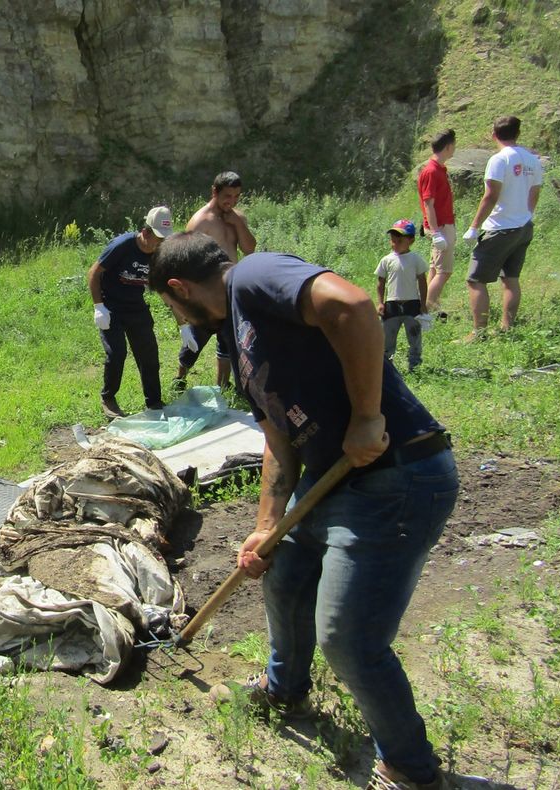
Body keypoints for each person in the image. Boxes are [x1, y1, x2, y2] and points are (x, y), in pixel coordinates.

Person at [150, 232, 459, 790]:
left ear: (179, 288)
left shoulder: (252, 276)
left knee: (348, 638)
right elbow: (277, 440)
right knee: (284, 576)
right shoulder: (240, 340)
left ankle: (410, 771)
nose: (175, 315)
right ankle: (283, 691)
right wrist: (266, 523)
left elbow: (354, 306)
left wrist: (367, 415)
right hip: (328, 478)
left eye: (169, 305)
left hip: (396, 477)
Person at [459, 115, 544, 343]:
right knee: (511, 278)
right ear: (518, 133)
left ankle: (479, 332)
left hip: (500, 227)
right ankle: (507, 327)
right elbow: (535, 193)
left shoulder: (499, 160)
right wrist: (527, 214)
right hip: (523, 226)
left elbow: (491, 195)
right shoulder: (533, 160)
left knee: (475, 280)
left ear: (493, 134)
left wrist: (474, 226)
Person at [87, 206, 173, 419]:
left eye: (165, 239)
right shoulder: (122, 245)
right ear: (146, 232)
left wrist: (183, 325)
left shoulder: (159, 253)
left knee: (149, 355)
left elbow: (162, 288)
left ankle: (154, 403)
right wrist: (99, 307)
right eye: (158, 238)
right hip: (111, 307)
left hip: (136, 307)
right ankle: (108, 398)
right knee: (117, 354)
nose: (161, 243)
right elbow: (94, 273)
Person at [177, 171, 256, 391]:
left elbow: (249, 249)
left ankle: (223, 385)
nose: (232, 201)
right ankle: (180, 377)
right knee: (196, 338)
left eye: (237, 196)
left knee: (229, 339)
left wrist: (238, 224)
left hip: (231, 289)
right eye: (227, 196)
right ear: (214, 191)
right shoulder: (201, 222)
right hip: (206, 292)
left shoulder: (236, 217)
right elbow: (186, 259)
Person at [376, 220, 430, 373]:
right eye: (393, 240)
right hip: (392, 305)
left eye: (399, 240)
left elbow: (422, 281)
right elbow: (380, 282)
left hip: (412, 305)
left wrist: (423, 303)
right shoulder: (387, 260)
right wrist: (380, 303)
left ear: (411, 240)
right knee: (387, 339)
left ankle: (415, 366)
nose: (395, 244)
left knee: (414, 337)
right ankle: (387, 369)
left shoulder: (415, 259)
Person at [417, 129, 457, 316]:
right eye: (454, 145)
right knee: (444, 271)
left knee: (435, 269)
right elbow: (428, 203)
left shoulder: (439, 169)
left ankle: (430, 305)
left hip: (442, 225)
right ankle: (426, 308)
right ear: (448, 147)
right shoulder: (432, 171)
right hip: (441, 226)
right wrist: (436, 232)